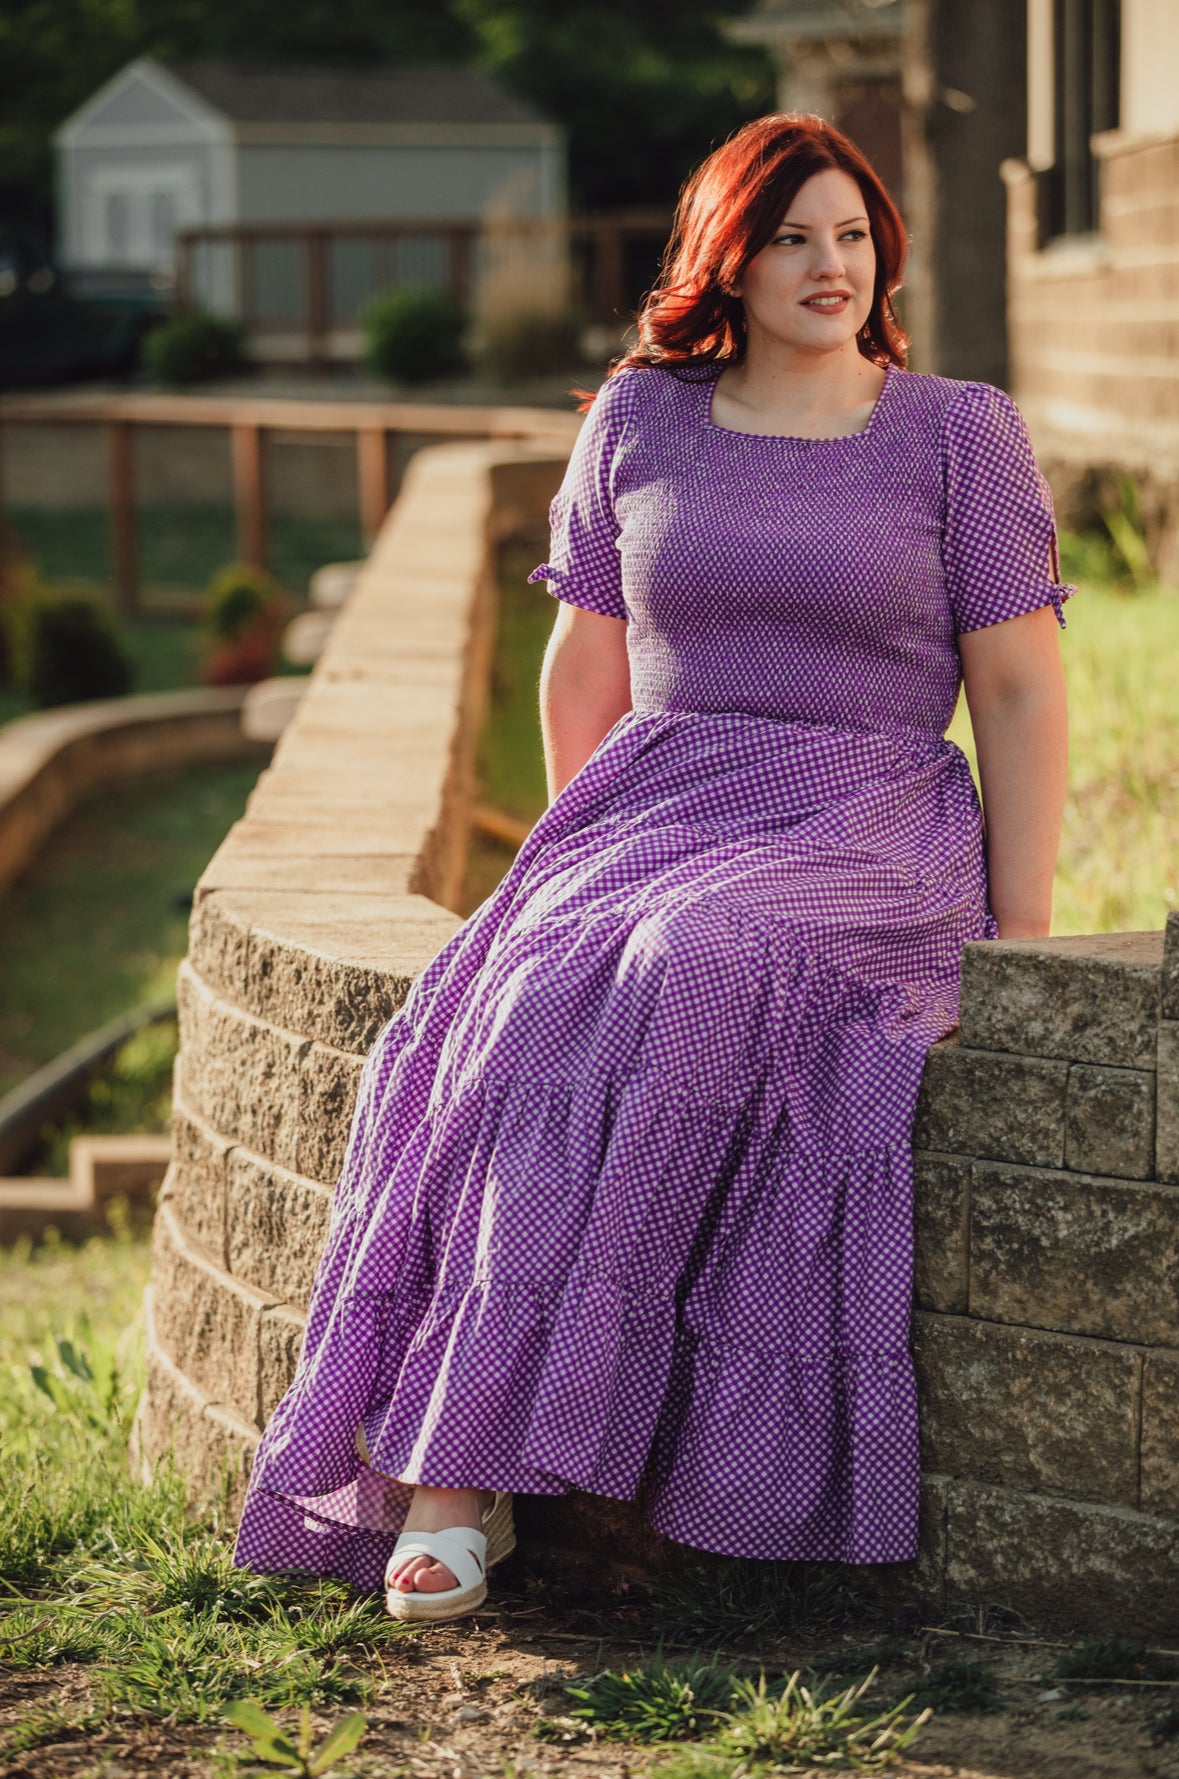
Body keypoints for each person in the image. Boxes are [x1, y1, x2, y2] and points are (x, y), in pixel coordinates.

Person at [233, 112, 1072, 1623]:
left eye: (854, 236)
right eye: (791, 238)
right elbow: (584, 665)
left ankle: (503, 1454)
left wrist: (1021, 932)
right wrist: (580, 868)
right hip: (660, 800)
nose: (830, 265)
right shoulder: (637, 419)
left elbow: (1017, 688)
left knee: (693, 957)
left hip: (865, 812)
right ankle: (452, 1475)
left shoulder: (960, 433)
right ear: (726, 260)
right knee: (531, 982)